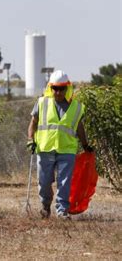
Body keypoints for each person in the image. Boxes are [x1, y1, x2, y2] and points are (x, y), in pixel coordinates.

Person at [27, 70, 92, 220]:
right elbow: (33, 123)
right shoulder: (42, 102)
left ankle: (62, 211)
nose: (58, 92)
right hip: (45, 148)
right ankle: (45, 205)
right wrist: (30, 139)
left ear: (67, 88)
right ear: (50, 87)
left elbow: (79, 127)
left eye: (61, 88)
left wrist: (85, 144)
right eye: (55, 88)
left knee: (65, 182)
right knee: (44, 182)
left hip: (67, 149)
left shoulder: (76, 107)